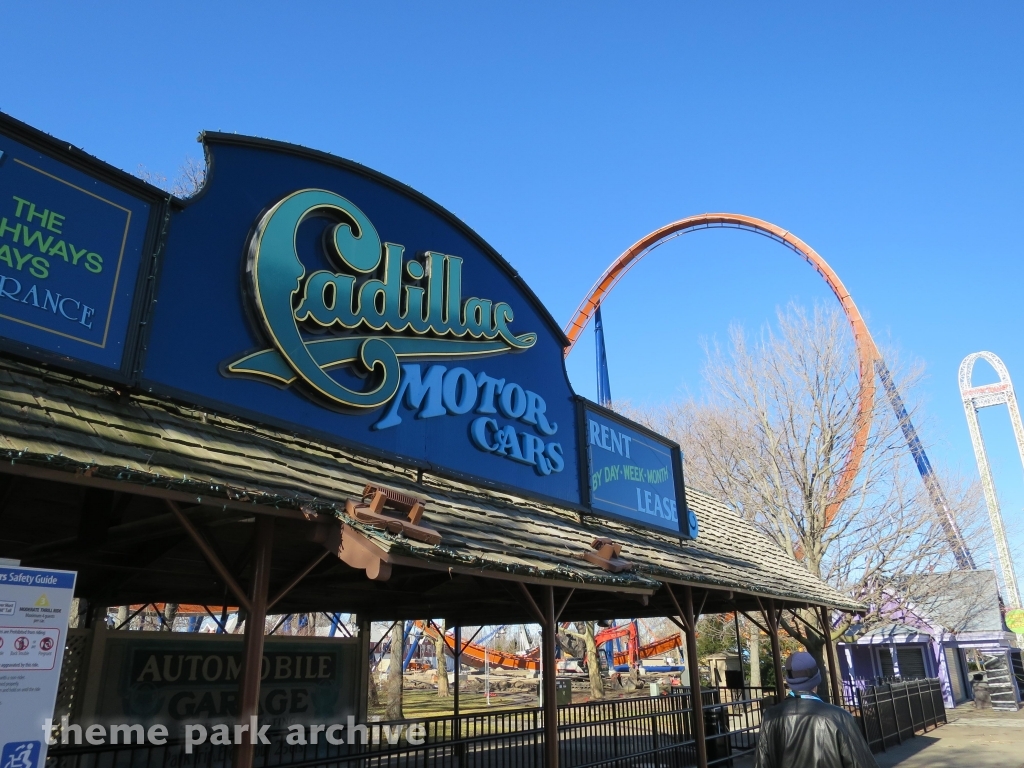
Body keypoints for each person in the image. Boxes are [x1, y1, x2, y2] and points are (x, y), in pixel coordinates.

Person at [754, 651, 878, 768]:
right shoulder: (839, 717)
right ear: (816, 678)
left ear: (789, 680)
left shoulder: (770, 717)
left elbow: (762, 763)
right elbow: (861, 763)